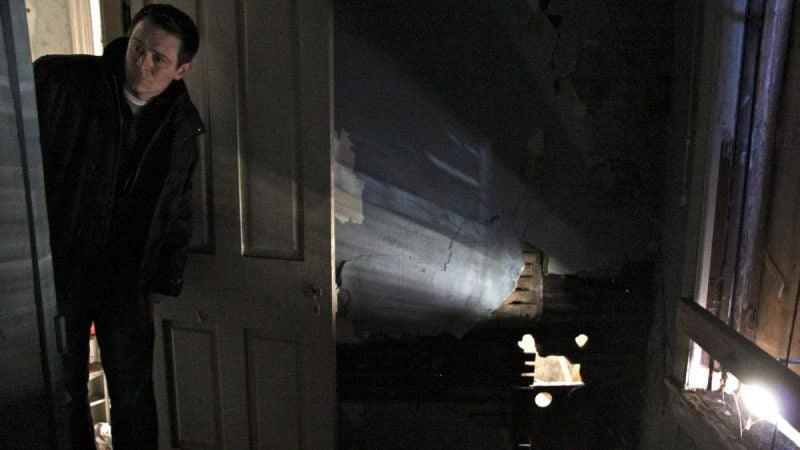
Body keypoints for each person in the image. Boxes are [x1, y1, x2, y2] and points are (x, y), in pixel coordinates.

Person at [33, 4, 203, 449]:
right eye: (137, 47)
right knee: (64, 392)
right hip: (60, 270)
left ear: (181, 69)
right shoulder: (62, 82)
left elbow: (179, 206)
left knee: (132, 395)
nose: (143, 63)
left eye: (159, 59)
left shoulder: (182, 125)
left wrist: (166, 276)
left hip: (125, 280)